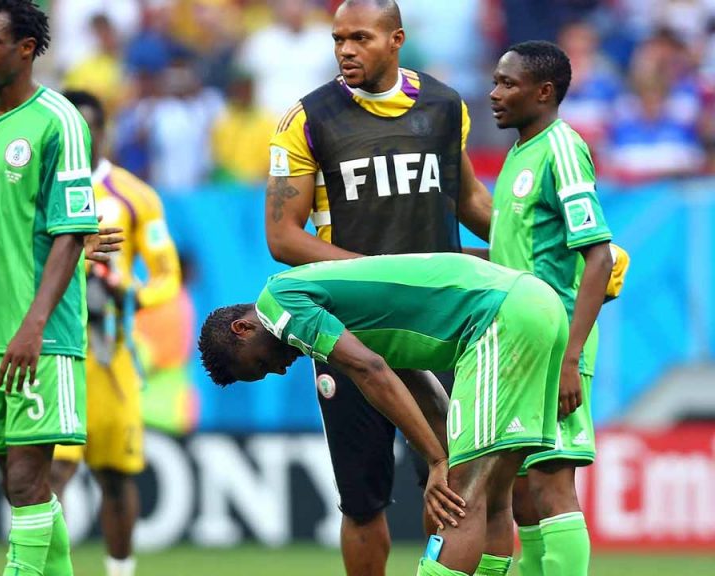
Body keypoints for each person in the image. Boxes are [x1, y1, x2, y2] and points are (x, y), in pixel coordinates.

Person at [263, 2, 494, 574]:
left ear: (396, 40)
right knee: (362, 500)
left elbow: (469, 201)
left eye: (360, 38)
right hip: (350, 330)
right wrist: (376, 281)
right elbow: (283, 237)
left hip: (441, 327)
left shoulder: (445, 106)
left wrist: (537, 249)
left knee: (452, 486)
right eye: (338, 38)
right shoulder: (307, 119)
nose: (345, 49)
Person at [198, 253, 567, 576]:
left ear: (242, 328)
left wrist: (438, 461)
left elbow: (370, 370)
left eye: (261, 364)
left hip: (498, 317)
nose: (279, 370)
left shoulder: (279, 301)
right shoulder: (342, 311)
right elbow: (415, 381)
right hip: (537, 304)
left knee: (460, 497)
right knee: (493, 494)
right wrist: (444, 452)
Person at [0, 2, 99, 575]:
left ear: (27, 48)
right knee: (16, 480)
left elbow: (70, 234)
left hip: (41, 336)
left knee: (29, 479)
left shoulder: (59, 120)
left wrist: (33, 326)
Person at [489, 41, 616, 576]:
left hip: (554, 343)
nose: (494, 94)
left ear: (543, 92)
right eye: (495, 81)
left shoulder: (562, 148)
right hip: (516, 346)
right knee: (521, 495)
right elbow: (518, 255)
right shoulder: (519, 153)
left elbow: (599, 256)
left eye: (508, 84)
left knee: (550, 483)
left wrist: (570, 357)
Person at [51, 90, 182, 576]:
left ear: (103, 131)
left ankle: (120, 571)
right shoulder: (39, 189)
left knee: (114, 474)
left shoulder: (134, 196)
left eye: (89, 128)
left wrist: (132, 294)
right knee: (53, 470)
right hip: (56, 348)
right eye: (72, 129)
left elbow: (167, 275)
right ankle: (49, 567)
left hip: (111, 351)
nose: (81, 138)